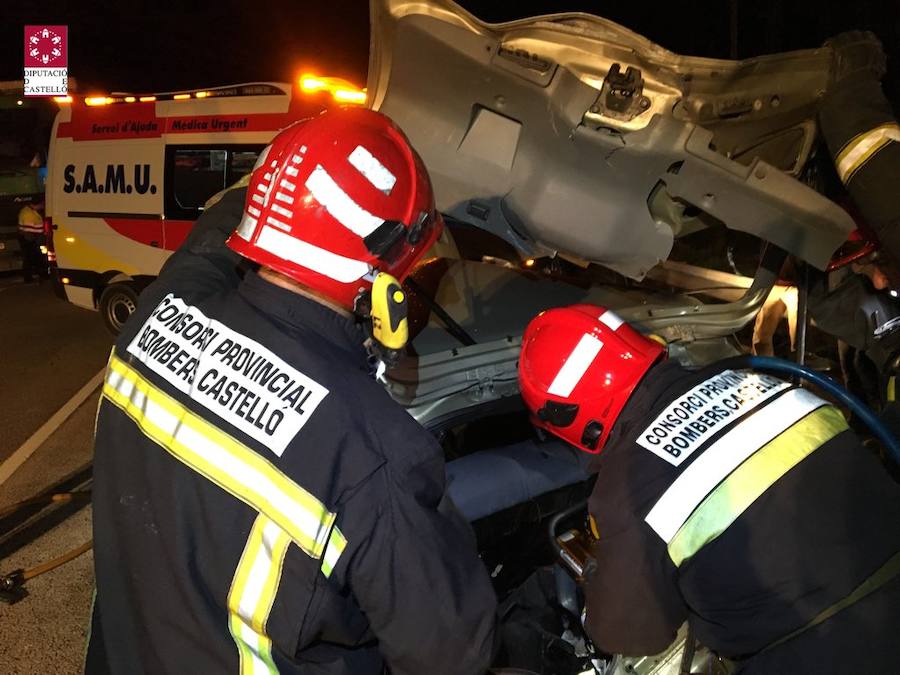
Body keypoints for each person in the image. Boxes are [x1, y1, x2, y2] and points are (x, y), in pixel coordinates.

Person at [86, 108, 497, 675]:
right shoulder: (375, 453)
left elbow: (208, 242)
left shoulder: (159, 311)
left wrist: (282, 177)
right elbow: (454, 655)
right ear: (383, 285)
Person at [517, 304, 900, 674]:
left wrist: (596, 578)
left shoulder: (625, 492)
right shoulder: (760, 380)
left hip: (829, 654)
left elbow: (633, 633)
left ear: (569, 419)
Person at [17, 200, 46, 283]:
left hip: (30, 239)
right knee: (31, 258)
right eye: (42, 204)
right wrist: (36, 242)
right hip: (29, 240)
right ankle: (30, 277)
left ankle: (34, 276)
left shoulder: (30, 211)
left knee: (32, 258)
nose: (43, 206)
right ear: (36, 205)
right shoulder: (28, 214)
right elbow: (28, 231)